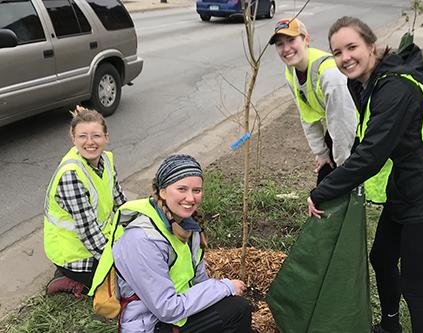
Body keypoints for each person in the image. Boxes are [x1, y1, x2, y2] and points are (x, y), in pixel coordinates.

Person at [307, 17, 423, 333]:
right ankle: (391, 326)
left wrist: (321, 192)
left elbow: (371, 155)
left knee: (415, 287)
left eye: (352, 47)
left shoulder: (395, 88)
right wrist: (330, 167)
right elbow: (362, 135)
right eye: (337, 52)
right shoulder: (365, 82)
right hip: (404, 190)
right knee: (381, 258)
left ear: (371, 45)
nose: (345, 57)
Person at [110, 154, 252, 333]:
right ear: (162, 191)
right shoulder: (141, 240)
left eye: (196, 190)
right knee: (237, 310)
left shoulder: (187, 225)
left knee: (230, 306)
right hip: (151, 324)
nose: (191, 198)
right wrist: (224, 287)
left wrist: (220, 293)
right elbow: (167, 309)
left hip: (176, 312)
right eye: (182, 189)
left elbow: (198, 280)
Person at [44, 106, 127, 297]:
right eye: (82, 136)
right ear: (73, 138)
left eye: (96, 136)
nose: (90, 142)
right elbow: (90, 236)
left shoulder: (106, 160)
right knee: (121, 287)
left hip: (99, 238)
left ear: (107, 137)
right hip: (75, 254)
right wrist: (123, 262)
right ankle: (68, 278)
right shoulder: (71, 175)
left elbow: (120, 202)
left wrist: (141, 228)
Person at [269, 17, 357, 184]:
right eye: (280, 44)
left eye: (291, 40)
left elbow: (343, 126)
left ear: (306, 40)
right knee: (323, 186)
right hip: (339, 130)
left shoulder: (329, 74)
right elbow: (307, 115)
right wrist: (322, 153)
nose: (286, 48)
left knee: (347, 189)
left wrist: (344, 168)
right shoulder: (291, 72)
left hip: (361, 129)